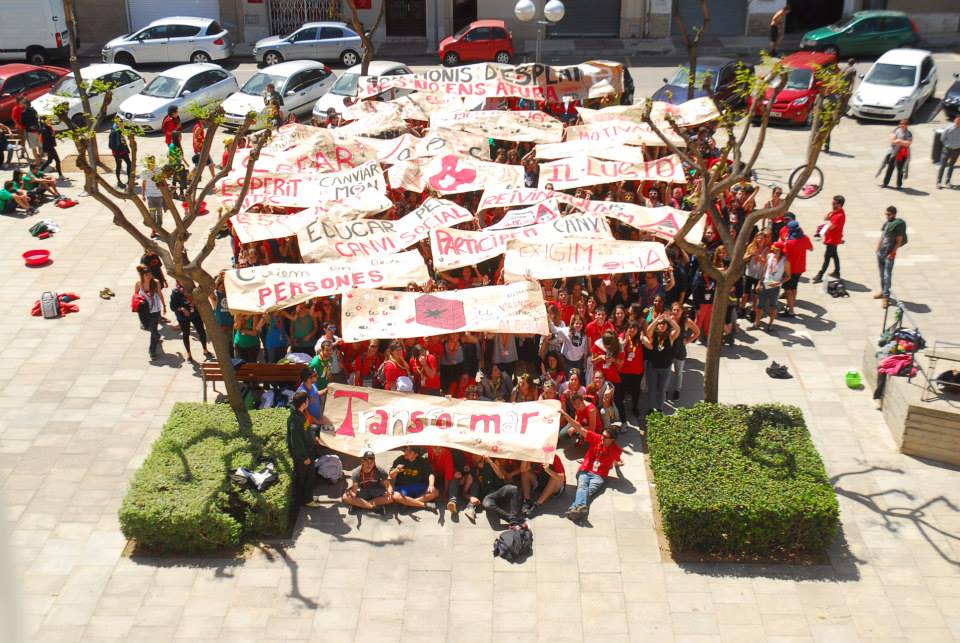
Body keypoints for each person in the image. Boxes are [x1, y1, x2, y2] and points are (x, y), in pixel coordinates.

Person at [560, 410, 622, 523]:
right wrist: (565, 415)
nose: (602, 438)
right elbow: (579, 427)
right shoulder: (596, 438)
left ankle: (575, 509)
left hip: (599, 476)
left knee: (585, 491)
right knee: (583, 488)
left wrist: (617, 465)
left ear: (612, 440)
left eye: (605, 437)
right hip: (585, 470)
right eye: (602, 435)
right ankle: (577, 509)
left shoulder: (616, 450)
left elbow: (615, 460)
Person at [287, 392, 322, 508]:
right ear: (303, 404)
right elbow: (296, 441)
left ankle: (309, 496)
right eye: (307, 400)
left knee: (310, 476)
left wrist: (314, 437)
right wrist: (304, 457)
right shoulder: (296, 420)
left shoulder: (300, 414)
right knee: (305, 478)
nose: (308, 402)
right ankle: (306, 500)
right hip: (304, 455)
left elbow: (306, 431)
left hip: (308, 451)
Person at [641, 313, 680, 414]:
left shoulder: (670, 336)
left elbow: (678, 330)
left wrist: (670, 320)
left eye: (664, 324)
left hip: (665, 368)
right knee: (652, 390)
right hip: (652, 367)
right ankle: (650, 409)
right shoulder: (654, 335)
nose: (662, 325)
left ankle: (660, 409)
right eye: (660, 324)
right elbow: (648, 331)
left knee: (662, 390)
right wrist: (656, 320)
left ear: (667, 326)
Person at [169, 281, 212, 362]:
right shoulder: (176, 292)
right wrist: (182, 308)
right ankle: (189, 355)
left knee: (201, 331)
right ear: (178, 282)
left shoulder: (193, 289)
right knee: (186, 334)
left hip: (195, 314)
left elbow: (200, 299)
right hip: (183, 317)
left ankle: (205, 349)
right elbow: (172, 307)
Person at [389, 446, 438, 512]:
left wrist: (431, 485)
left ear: (416, 454)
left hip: (418, 486)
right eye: (406, 450)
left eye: (409, 451)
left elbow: (430, 474)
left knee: (435, 492)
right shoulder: (400, 459)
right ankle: (424, 505)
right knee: (395, 496)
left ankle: (408, 503)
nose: (406, 452)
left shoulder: (422, 461)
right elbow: (391, 475)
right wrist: (396, 470)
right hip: (403, 487)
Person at [343, 451, 392, 515]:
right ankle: (373, 508)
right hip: (362, 491)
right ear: (362, 461)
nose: (369, 464)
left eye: (371, 462)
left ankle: (360, 505)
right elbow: (354, 491)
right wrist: (351, 493)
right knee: (345, 497)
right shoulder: (356, 472)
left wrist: (389, 492)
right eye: (366, 461)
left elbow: (388, 485)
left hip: (376, 491)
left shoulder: (380, 470)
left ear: (374, 463)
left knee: (391, 498)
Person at [754, 242, 790, 331]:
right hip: (765, 283)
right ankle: (757, 322)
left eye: (775, 249)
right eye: (773, 249)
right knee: (759, 305)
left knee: (773, 306)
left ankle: (770, 324)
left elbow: (788, 276)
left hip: (775, 286)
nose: (773, 250)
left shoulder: (785, 261)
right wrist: (759, 283)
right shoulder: (769, 256)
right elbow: (764, 270)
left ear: (780, 250)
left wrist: (778, 283)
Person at [875, 205, 906, 308]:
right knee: (881, 274)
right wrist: (877, 249)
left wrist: (893, 253)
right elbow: (882, 236)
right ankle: (883, 291)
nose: (887, 216)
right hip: (881, 253)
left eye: (889, 214)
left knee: (887, 275)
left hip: (889, 254)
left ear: (894, 214)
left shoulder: (897, 226)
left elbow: (899, 241)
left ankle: (886, 297)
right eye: (886, 214)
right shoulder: (886, 223)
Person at [781, 220, 812, 318]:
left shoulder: (789, 242)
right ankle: (791, 305)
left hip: (790, 269)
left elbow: (785, 254)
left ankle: (791, 310)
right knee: (794, 287)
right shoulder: (805, 238)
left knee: (788, 290)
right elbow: (811, 248)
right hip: (800, 268)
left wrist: (785, 242)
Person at [813, 195, 846, 283]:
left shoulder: (840, 215)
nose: (832, 204)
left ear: (839, 205)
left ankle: (820, 275)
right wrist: (829, 215)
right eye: (832, 203)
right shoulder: (835, 212)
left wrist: (820, 230)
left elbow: (831, 227)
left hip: (833, 239)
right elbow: (826, 218)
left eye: (834, 203)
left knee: (827, 257)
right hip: (831, 238)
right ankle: (837, 272)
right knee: (834, 255)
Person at [135, 264, 165, 360]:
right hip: (144, 311)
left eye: (149, 274)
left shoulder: (156, 283)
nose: (148, 277)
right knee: (149, 328)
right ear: (142, 276)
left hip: (155, 310)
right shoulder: (138, 284)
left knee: (153, 330)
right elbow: (135, 296)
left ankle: (152, 351)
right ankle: (157, 336)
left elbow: (160, 294)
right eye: (146, 275)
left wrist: (164, 306)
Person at [881, 119, 912, 190]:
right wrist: (902, 142)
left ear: (907, 125)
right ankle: (885, 183)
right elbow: (892, 141)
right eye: (901, 123)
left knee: (900, 170)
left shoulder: (909, 133)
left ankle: (899, 185)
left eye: (904, 124)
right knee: (890, 169)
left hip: (902, 154)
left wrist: (899, 141)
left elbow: (909, 143)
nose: (902, 125)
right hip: (893, 153)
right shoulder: (896, 130)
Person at [937, 115, 960, 189]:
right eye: (957, 122)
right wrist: (947, 145)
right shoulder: (949, 128)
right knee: (943, 166)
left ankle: (948, 181)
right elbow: (942, 138)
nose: (958, 124)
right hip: (947, 149)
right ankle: (939, 182)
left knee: (951, 166)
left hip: (956, 150)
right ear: (955, 121)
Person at [108, 117, 131, 188]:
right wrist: (117, 153)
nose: (122, 125)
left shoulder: (120, 130)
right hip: (117, 153)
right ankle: (119, 181)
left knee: (129, 164)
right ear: (117, 123)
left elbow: (123, 140)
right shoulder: (114, 132)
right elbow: (111, 145)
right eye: (121, 123)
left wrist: (127, 149)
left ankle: (130, 180)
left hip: (124, 151)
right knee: (119, 166)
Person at [19, 98, 42, 163]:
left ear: (25, 104)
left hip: (30, 131)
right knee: (40, 145)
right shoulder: (34, 110)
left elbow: (23, 123)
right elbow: (38, 118)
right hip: (37, 130)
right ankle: (40, 158)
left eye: (23, 103)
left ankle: (37, 160)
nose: (22, 105)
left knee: (33, 147)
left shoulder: (24, 113)